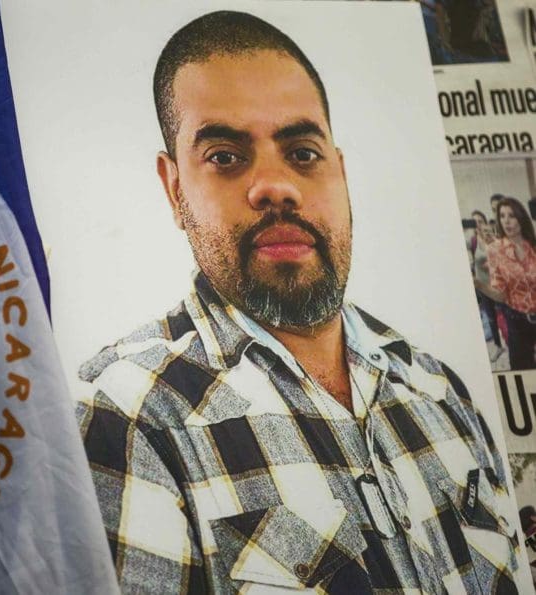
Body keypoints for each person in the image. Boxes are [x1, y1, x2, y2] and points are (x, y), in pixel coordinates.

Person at [76, 10, 518, 593]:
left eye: (303, 152)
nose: (276, 185)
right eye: (226, 156)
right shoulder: (125, 415)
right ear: (175, 189)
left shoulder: (442, 391)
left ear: (340, 171)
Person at [480, 197, 536, 370]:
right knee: (524, 373)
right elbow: (501, 294)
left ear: (521, 218)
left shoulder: (533, 246)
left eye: (511, 215)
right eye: (502, 216)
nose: (506, 220)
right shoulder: (496, 250)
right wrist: (478, 284)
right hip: (517, 320)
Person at [471, 209, 504, 361]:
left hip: (497, 286)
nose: (477, 224)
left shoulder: (492, 237)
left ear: (484, 222)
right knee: (490, 318)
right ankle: (498, 346)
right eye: (474, 222)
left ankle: (512, 342)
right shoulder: (471, 241)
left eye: (480, 220)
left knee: (505, 315)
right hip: (482, 287)